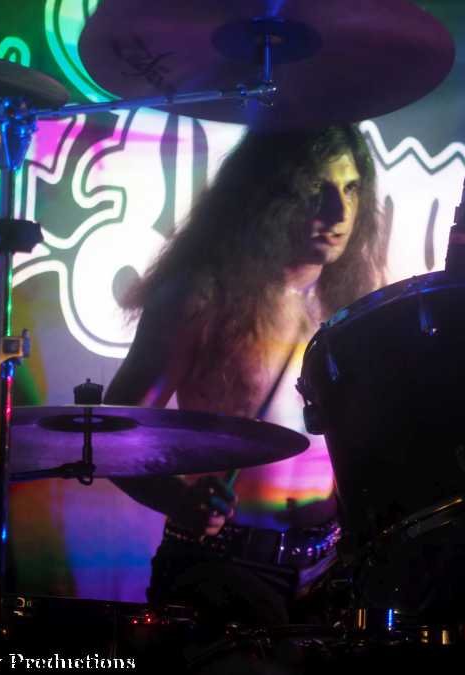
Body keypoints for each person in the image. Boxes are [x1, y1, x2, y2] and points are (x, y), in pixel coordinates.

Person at [103, 124, 387, 625]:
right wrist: (177, 499)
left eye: (350, 189)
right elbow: (114, 434)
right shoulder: (201, 296)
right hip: (221, 569)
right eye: (316, 188)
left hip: (331, 575)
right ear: (268, 193)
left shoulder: (353, 302)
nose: (338, 213)